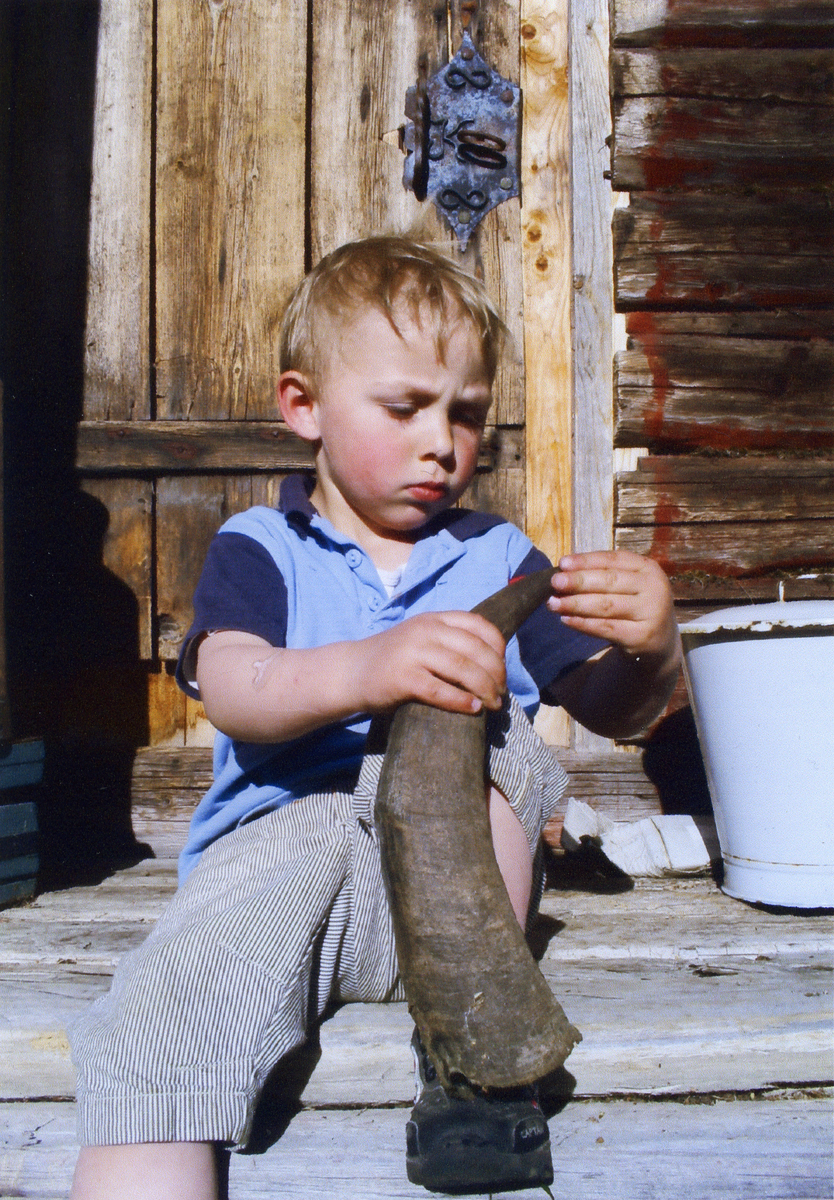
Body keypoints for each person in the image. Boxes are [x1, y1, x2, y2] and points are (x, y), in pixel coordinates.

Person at [69, 236, 681, 1199]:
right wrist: (368, 667)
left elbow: (605, 705)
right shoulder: (263, 547)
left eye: (468, 414)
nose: (442, 441)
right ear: (302, 407)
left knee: (488, 736)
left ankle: (478, 1063)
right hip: (283, 870)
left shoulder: (502, 558)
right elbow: (235, 685)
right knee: (162, 1029)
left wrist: (653, 652)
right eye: (404, 408)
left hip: (461, 902)